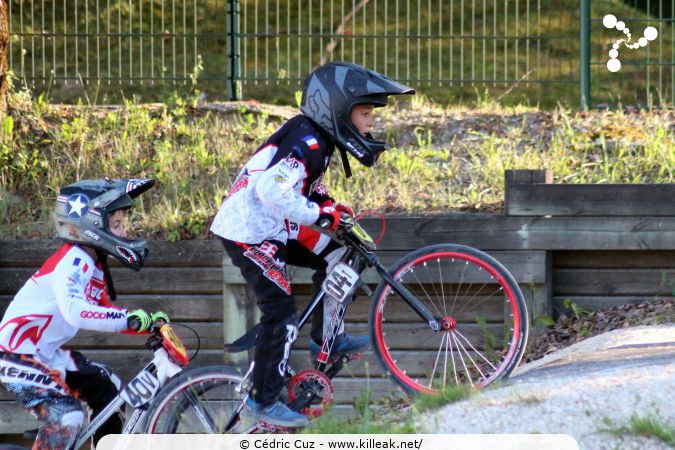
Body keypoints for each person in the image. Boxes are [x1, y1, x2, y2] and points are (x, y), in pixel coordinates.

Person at [210, 61, 415, 427]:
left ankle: (326, 339)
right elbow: (270, 190)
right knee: (280, 312)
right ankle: (263, 398)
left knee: (341, 255)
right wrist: (320, 216)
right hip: (250, 232)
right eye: (366, 113)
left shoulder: (317, 139)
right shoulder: (307, 140)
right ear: (338, 109)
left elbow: (306, 189)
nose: (371, 123)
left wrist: (330, 208)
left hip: (274, 227)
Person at [0, 178, 169, 450]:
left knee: (108, 386)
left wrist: (142, 322)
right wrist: (128, 319)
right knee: (68, 416)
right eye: (116, 225)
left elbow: (100, 310)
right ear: (92, 225)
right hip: (15, 358)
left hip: (43, 354)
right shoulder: (73, 260)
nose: (124, 233)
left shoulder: (90, 262)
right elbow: (76, 313)